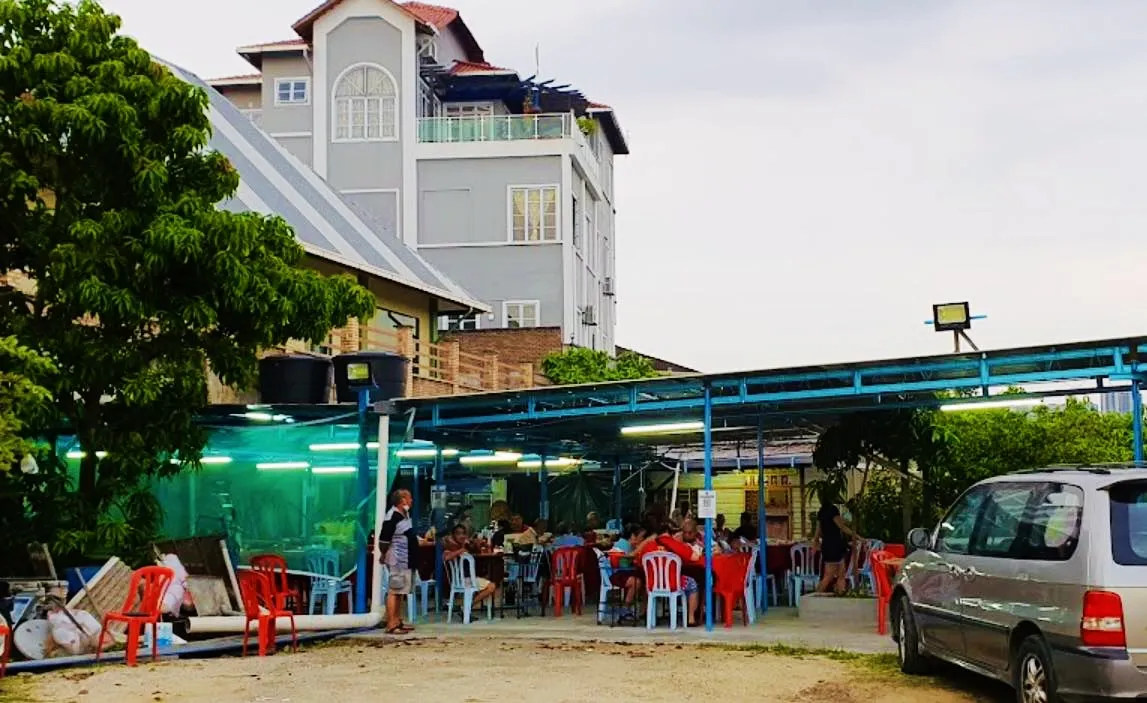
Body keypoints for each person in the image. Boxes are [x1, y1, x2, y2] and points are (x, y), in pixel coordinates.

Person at [378, 489, 418, 634]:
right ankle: (391, 624)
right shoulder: (392, 516)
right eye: (409, 498)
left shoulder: (404, 515)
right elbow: (384, 539)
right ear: (402, 500)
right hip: (398, 559)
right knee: (394, 590)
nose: (411, 501)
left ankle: (398, 620)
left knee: (401, 591)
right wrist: (383, 553)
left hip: (406, 559)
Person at [813, 487, 862, 595]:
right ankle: (816, 596)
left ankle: (840, 592)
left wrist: (815, 541)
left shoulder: (822, 511)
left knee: (841, 572)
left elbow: (818, 530)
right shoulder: (833, 510)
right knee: (829, 575)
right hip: (834, 545)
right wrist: (856, 535)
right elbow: (841, 526)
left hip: (827, 544)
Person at [442, 523, 496, 606]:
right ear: (453, 535)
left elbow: (478, 552)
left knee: (485, 576)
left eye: (463, 533)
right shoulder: (451, 547)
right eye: (458, 533)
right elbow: (446, 557)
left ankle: (466, 606)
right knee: (491, 586)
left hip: (465, 579)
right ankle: (467, 607)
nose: (461, 536)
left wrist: (475, 544)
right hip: (463, 580)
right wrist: (462, 550)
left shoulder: (464, 545)